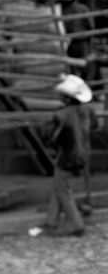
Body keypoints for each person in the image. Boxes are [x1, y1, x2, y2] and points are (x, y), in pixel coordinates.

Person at [39, 74, 93, 237]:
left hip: (67, 157)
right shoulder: (88, 111)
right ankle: (51, 221)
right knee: (58, 186)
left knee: (63, 191)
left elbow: (48, 135)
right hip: (84, 155)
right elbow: (94, 127)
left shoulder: (61, 115)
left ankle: (77, 225)